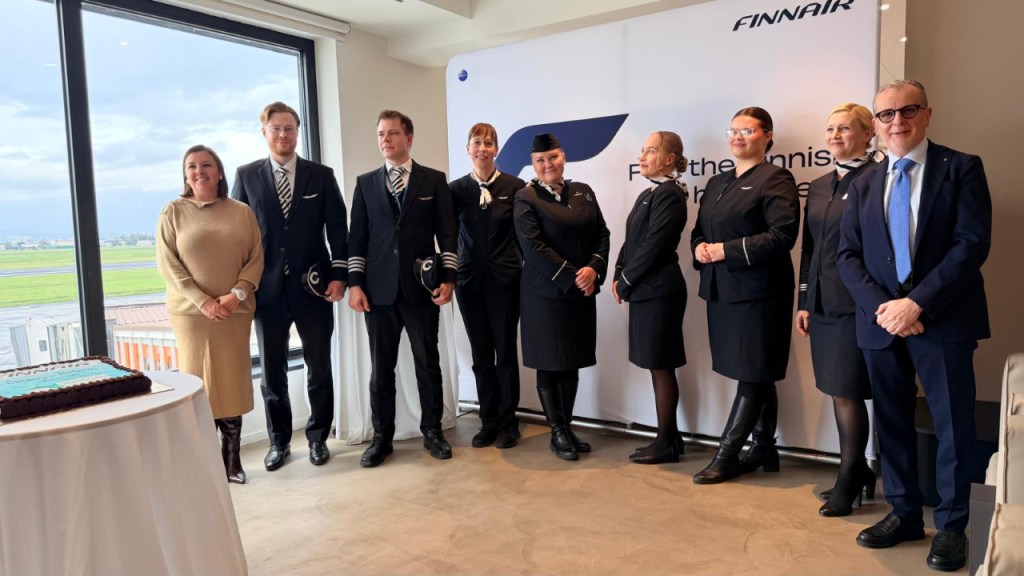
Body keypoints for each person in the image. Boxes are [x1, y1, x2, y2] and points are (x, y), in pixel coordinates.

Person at [838, 80, 991, 572]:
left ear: (927, 114)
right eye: (886, 114)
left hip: (943, 318)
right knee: (891, 423)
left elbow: (971, 244)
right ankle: (903, 514)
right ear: (875, 125)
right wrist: (886, 309)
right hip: (881, 324)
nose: (897, 121)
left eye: (908, 110)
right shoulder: (863, 182)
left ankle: (951, 526)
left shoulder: (961, 168)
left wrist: (916, 304)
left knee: (952, 426)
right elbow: (847, 256)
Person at [232, 101, 349, 471]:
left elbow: (338, 229)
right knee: (272, 371)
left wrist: (340, 276)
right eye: (276, 128)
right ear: (264, 132)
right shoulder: (246, 176)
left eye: (290, 128)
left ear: (298, 132)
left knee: (319, 366)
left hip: (314, 287)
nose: (283, 135)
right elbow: (236, 234)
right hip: (265, 291)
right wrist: (239, 285)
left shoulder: (321, 175)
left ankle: (318, 437)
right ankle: (278, 441)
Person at [690, 107, 800, 484]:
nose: (737, 137)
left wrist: (725, 251)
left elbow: (782, 236)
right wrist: (699, 248)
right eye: (733, 131)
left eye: (747, 131)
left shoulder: (776, 178)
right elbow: (700, 230)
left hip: (760, 293)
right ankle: (765, 447)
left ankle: (727, 454)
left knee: (753, 371)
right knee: (756, 370)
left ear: (767, 135)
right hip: (722, 291)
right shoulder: (716, 182)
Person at [348, 109, 459, 467]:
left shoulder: (433, 180)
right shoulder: (366, 184)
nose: (385, 139)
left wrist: (448, 279)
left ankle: (433, 432)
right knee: (381, 369)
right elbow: (356, 239)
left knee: (428, 363)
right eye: (381, 134)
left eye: (392, 133)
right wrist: (355, 284)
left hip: (421, 289)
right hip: (377, 293)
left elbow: (448, 235)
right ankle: (382, 438)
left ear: (408, 138)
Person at [157, 144, 264, 484]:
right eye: (191, 166)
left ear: (219, 172)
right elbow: (169, 265)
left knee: (230, 381)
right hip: (192, 316)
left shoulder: (242, 212)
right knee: (198, 381)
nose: (199, 171)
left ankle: (232, 461)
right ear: (185, 175)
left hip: (234, 313)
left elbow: (256, 259)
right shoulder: (172, 212)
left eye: (206, 165)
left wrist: (236, 295)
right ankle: (204, 464)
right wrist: (202, 301)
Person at [796, 103, 878, 516]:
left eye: (844, 128)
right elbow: (809, 250)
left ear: (868, 133)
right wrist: (804, 301)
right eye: (830, 129)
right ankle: (856, 468)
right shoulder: (818, 185)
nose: (834, 135)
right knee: (835, 386)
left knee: (847, 389)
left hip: (858, 303)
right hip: (822, 304)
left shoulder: (880, 177)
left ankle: (850, 475)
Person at [513, 133, 610, 461]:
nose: (547, 165)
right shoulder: (526, 197)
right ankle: (556, 431)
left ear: (563, 156)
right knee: (549, 363)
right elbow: (533, 247)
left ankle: (566, 427)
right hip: (544, 296)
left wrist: (594, 268)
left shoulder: (583, 191)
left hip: (579, 293)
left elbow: (602, 233)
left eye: (553, 157)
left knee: (571, 360)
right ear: (533, 164)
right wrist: (574, 276)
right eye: (540, 160)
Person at [612, 131, 689, 464]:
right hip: (645, 290)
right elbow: (631, 240)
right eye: (642, 151)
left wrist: (627, 280)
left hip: (660, 292)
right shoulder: (649, 193)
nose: (641, 157)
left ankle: (665, 442)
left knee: (661, 365)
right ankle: (672, 437)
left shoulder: (670, 194)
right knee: (656, 364)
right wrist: (618, 273)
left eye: (651, 151)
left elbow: (654, 245)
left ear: (669, 159)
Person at [450, 123, 526, 449]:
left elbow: (524, 234)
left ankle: (509, 423)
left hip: (505, 282)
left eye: (489, 143)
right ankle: (488, 422)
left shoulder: (515, 186)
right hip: (469, 283)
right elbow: (448, 237)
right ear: (468, 148)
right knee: (481, 355)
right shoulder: (455, 191)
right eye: (477, 142)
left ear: (496, 149)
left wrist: (515, 263)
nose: (483, 148)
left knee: (505, 353)